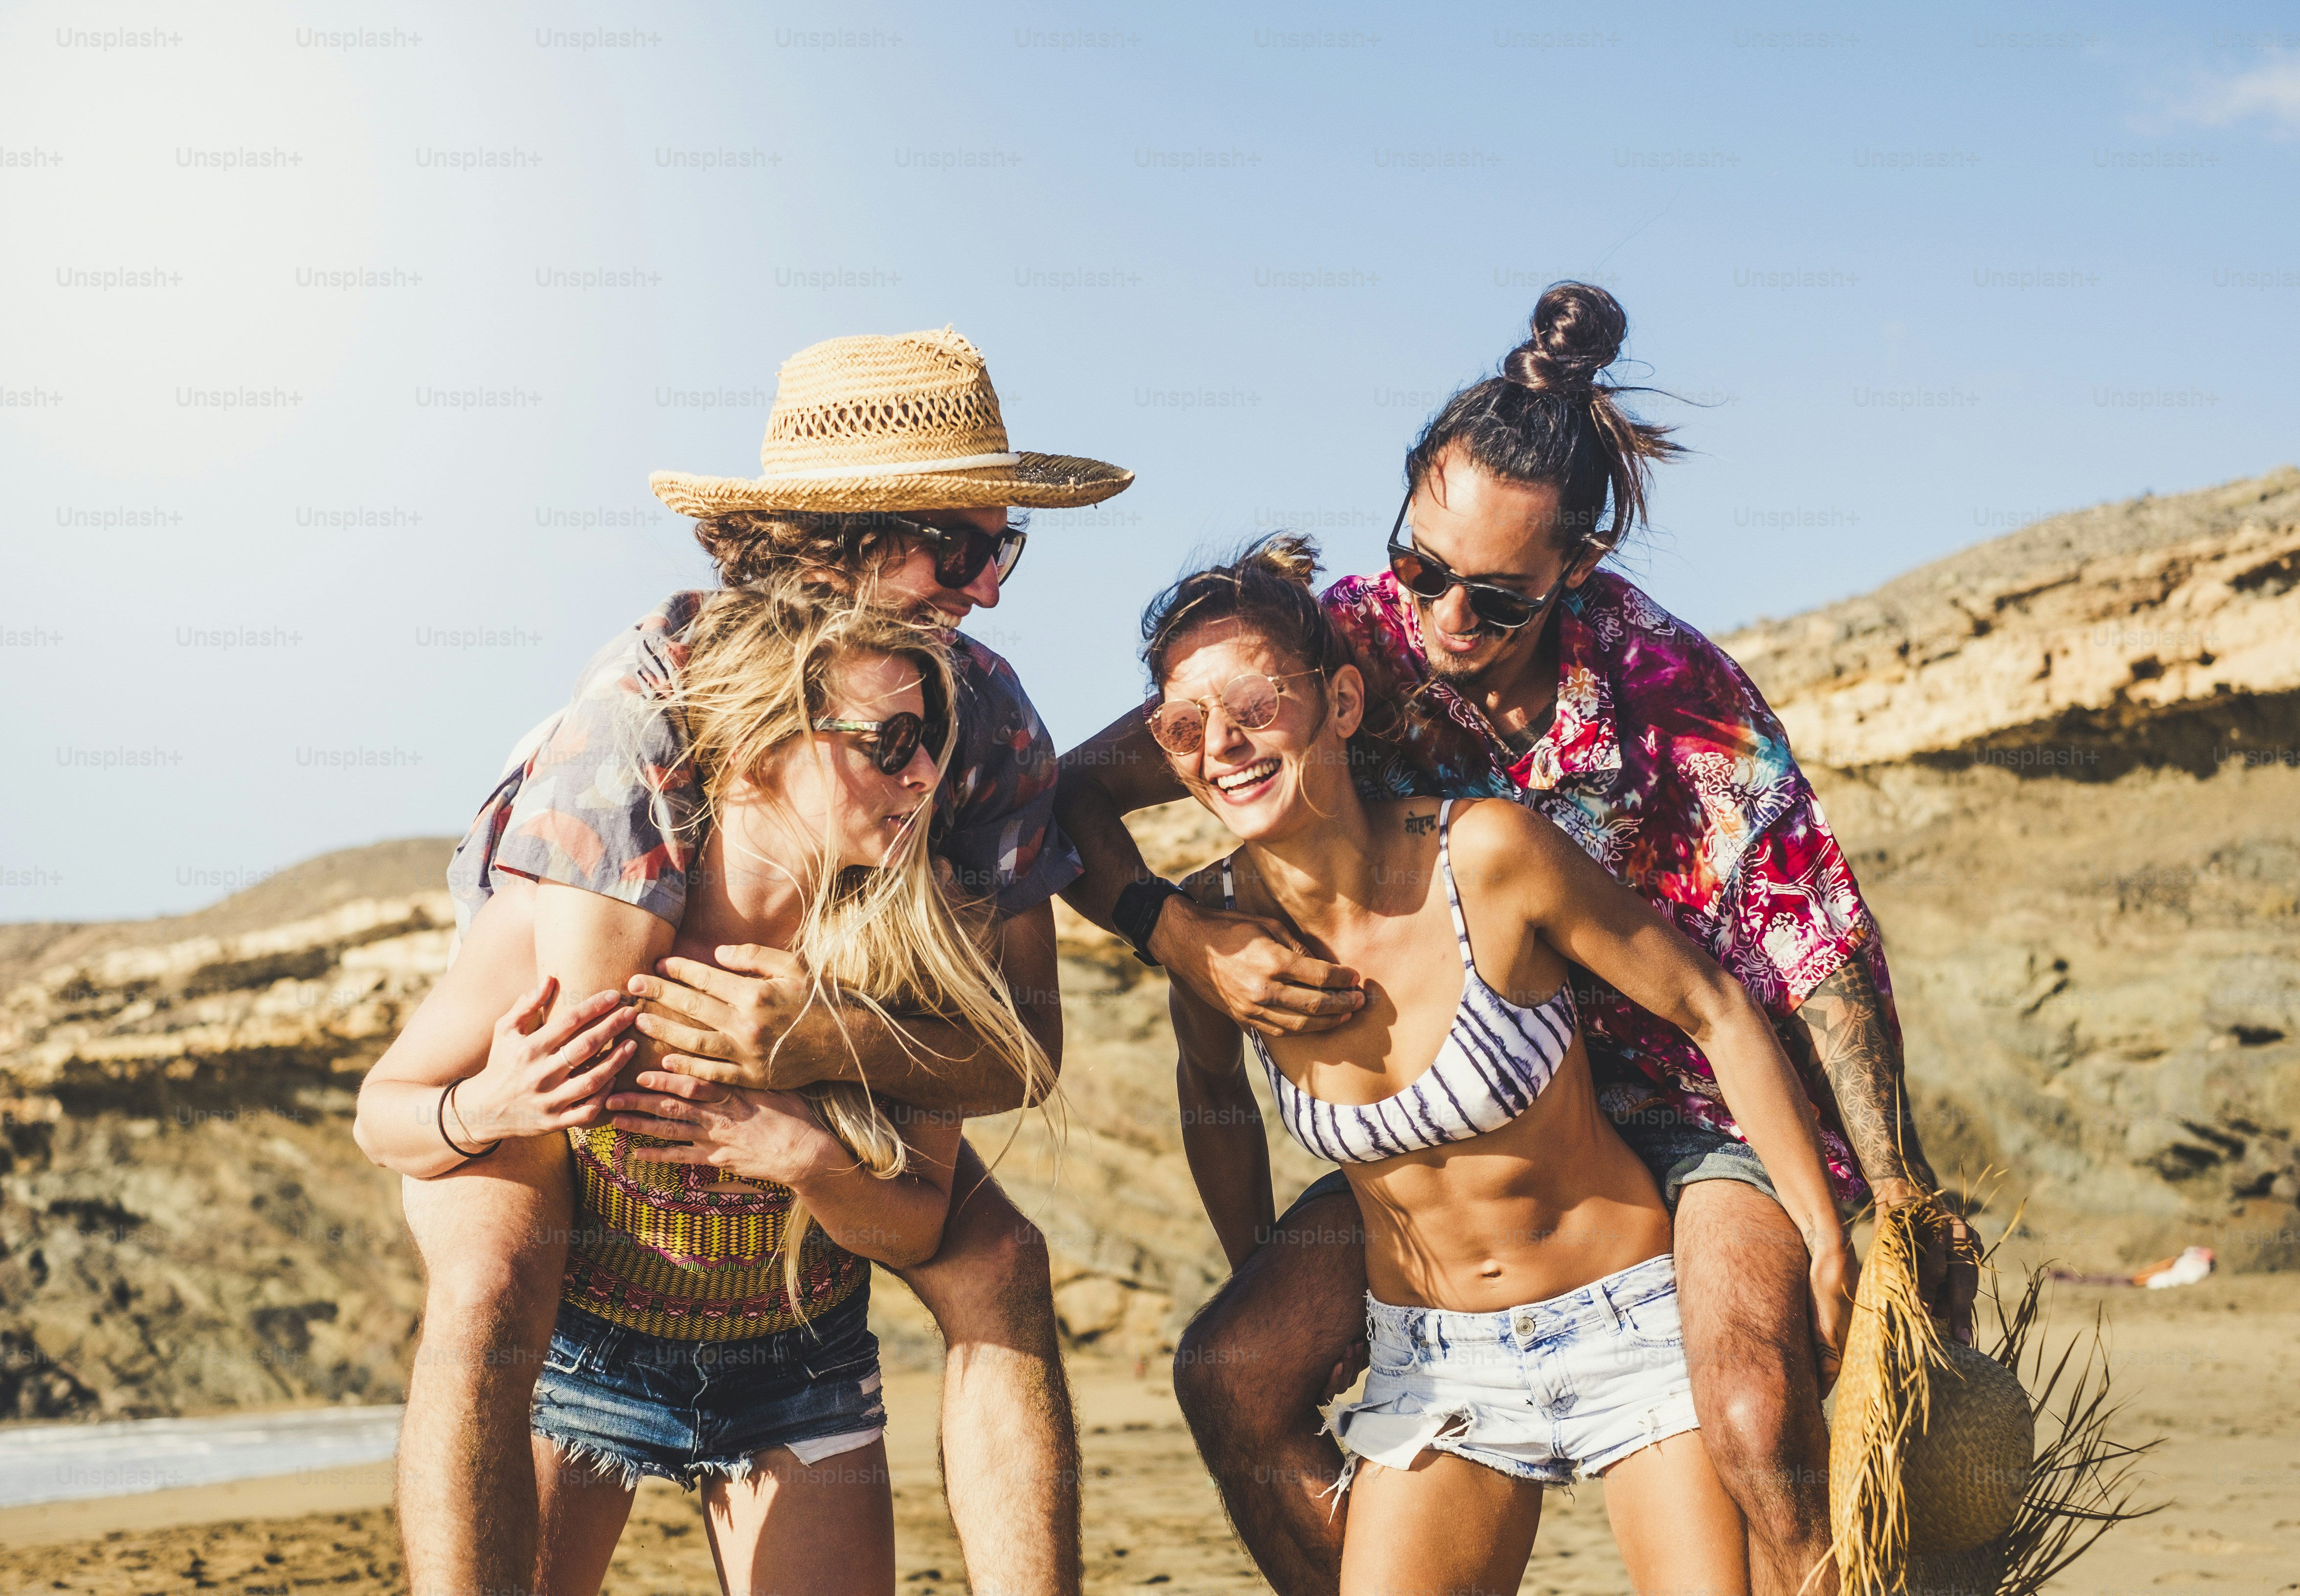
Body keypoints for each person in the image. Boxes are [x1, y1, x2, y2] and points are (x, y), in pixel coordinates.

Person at [1056, 284, 1979, 1596]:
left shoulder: (1671, 693)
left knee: (1757, 1420)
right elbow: (1078, 796)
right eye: (1422, 566)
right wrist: (1182, 940)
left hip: (1686, 1101)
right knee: (1232, 1373)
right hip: (1476, 1110)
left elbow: (1811, 946)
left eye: (1493, 598)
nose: (1443, 617)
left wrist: (1895, 1196)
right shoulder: (1336, 646)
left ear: (1576, 568)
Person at [382, 327, 1131, 1596]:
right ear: (839, 540)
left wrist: (831, 1041)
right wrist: (468, 1114)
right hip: (581, 1166)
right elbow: (603, 1049)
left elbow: (1022, 1052)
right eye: (958, 552)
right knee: (495, 1257)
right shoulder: (645, 709)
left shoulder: (987, 722)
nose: (989, 591)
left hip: (803, 1208)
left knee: (1000, 1261)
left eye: (1000, 549)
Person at [1144, 536, 1856, 1596]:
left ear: (1342, 702)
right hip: (1435, 1369)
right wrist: (1266, 1271)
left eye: (1256, 703)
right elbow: (1210, 1096)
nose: (1223, 745)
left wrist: (1825, 1234)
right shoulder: (1214, 939)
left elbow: (1712, 1006)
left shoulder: (1487, 856)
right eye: (1182, 725)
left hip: (1630, 1332)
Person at [359, 590, 1045, 1594]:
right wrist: (485, 1109)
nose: (925, 774)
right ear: (763, 746)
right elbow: (382, 1116)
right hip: (583, 1366)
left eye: (931, 742)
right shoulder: (572, 915)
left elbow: (914, 1228)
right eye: (890, 743)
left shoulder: (912, 946)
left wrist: (808, 1160)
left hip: (801, 1375)